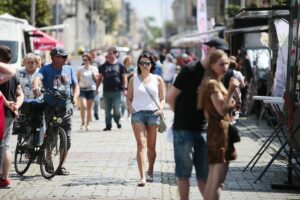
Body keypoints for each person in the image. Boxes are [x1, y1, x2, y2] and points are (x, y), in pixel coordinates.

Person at [166, 37, 229, 200]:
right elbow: (170, 97)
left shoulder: (215, 74)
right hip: (183, 129)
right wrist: (180, 116)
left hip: (203, 130)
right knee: (183, 173)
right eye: (220, 51)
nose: (223, 55)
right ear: (209, 50)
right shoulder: (190, 69)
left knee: (204, 175)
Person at [198, 50, 239, 200]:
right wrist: (232, 90)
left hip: (217, 131)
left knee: (214, 181)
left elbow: (212, 110)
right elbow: (221, 109)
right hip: (219, 133)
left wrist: (229, 100)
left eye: (227, 63)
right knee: (217, 182)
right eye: (221, 64)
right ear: (212, 65)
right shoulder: (213, 84)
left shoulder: (211, 82)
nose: (225, 67)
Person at [33, 47, 79, 175]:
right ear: (53, 58)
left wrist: (75, 97)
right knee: (51, 137)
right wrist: (36, 86)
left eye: (66, 56)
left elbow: (76, 86)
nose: (65, 59)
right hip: (51, 108)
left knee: (67, 140)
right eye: (62, 57)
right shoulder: (46, 69)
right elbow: (38, 78)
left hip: (66, 108)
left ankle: (61, 166)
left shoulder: (69, 69)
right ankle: (48, 159)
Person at [126, 51, 165, 187]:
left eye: (147, 63)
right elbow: (129, 97)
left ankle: (150, 170)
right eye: (141, 63)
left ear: (151, 65)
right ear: (138, 65)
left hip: (153, 114)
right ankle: (142, 176)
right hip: (138, 114)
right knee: (141, 144)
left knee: (151, 146)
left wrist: (160, 109)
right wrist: (130, 108)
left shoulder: (157, 79)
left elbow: (162, 97)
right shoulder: (133, 79)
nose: (144, 65)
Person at [0, 45, 24, 188]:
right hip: (10, 114)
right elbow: (20, 93)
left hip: (2, 112)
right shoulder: (15, 73)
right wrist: (17, 106)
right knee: (6, 145)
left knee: (1, 145)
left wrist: (10, 106)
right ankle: (5, 177)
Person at [97, 47, 127, 131]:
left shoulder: (120, 65)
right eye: (108, 54)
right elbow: (99, 78)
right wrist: (96, 89)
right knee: (107, 109)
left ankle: (117, 120)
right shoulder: (103, 66)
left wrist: (124, 88)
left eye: (111, 54)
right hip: (106, 91)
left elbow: (124, 78)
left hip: (117, 91)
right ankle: (108, 125)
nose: (109, 56)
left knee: (117, 109)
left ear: (115, 54)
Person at [77, 53, 99, 130]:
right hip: (82, 89)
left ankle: (88, 123)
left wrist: (95, 76)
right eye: (83, 60)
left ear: (90, 60)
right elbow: (77, 80)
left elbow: (97, 79)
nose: (85, 61)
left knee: (89, 108)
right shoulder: (80, 69)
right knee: (83, 106)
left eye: (86, 60)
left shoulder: (94, 68)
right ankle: (83, 122)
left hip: (91, 89)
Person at [89, 49, 101, 120]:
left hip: (96, 83)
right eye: (92, 54)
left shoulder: (97, 63)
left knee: (96, 100)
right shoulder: (86, 62)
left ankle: (96, 112)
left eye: (94, 54)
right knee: (89, 101)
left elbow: (101, 72)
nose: (93, 56)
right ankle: (89, 115)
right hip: (88, 85)